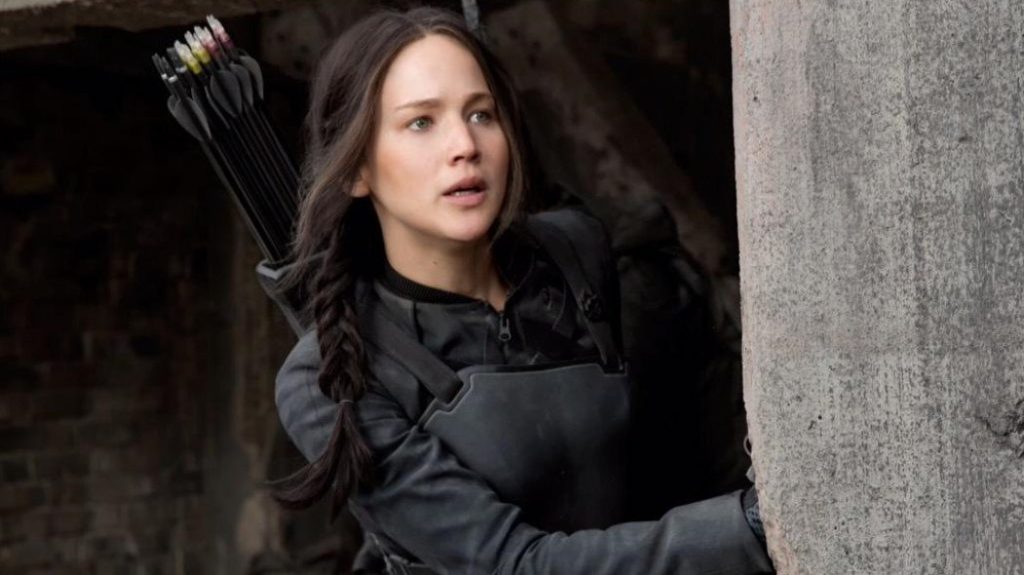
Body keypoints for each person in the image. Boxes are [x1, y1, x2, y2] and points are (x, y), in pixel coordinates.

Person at [273, 6, 773, 575]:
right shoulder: (328, 377)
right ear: (355, 169)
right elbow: (513, 565)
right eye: (421, 122)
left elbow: (675, 444)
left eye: (481, 114)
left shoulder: (576, 252)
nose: (465, 143)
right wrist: (752, 527)